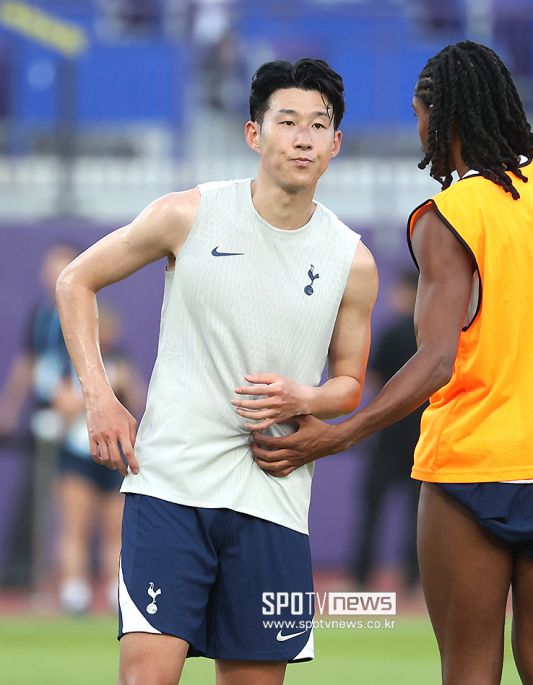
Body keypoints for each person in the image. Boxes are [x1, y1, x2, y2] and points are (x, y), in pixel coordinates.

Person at [252, 41, 533, 685]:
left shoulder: (448, 215)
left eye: (419, 115)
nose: (418, 130)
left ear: (443, 118)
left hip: (474, 465)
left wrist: (339, 435)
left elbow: (437, 360)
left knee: (469, 673)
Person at [56, 59, 378, 685]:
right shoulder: (189, 213)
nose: (303, 138)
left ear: (336, 143)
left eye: (319, 125)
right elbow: (76, 281)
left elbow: (348, 385)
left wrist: (302, 396)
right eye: (287, 122)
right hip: (170, 487)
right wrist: (99, 396)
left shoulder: (352, 260)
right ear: (254, 133)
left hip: (273, 496)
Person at [53, 305, 146, 614]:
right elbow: (63, 406)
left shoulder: (121, 361)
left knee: (115, 529)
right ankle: (73, 593)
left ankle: (115, 591)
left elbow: (137, 401)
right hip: (78, 455)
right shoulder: (72, 364)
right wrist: (97, 395)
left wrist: (123, 386)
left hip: (114, 455)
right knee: (76, 527)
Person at [0, 242, 79, 586]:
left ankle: (66, 577)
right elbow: (29, 362)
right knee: (33, 490)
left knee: (73, 499)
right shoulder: (41, 311)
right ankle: (23, 571)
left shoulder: (83, 306)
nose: (52, 274)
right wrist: (9, 408)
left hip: (77, 419)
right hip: (45, 415)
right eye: (49, 267)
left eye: (60, 266)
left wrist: (74, 402)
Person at [351, 271, 423, 591]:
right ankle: (414, 579)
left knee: (372, 509)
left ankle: (361, 577)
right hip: (422, 437)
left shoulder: (393, 331)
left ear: (409, 293)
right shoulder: (432, 335)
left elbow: (375, 380)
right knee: (418, 514)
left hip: (388, 434)